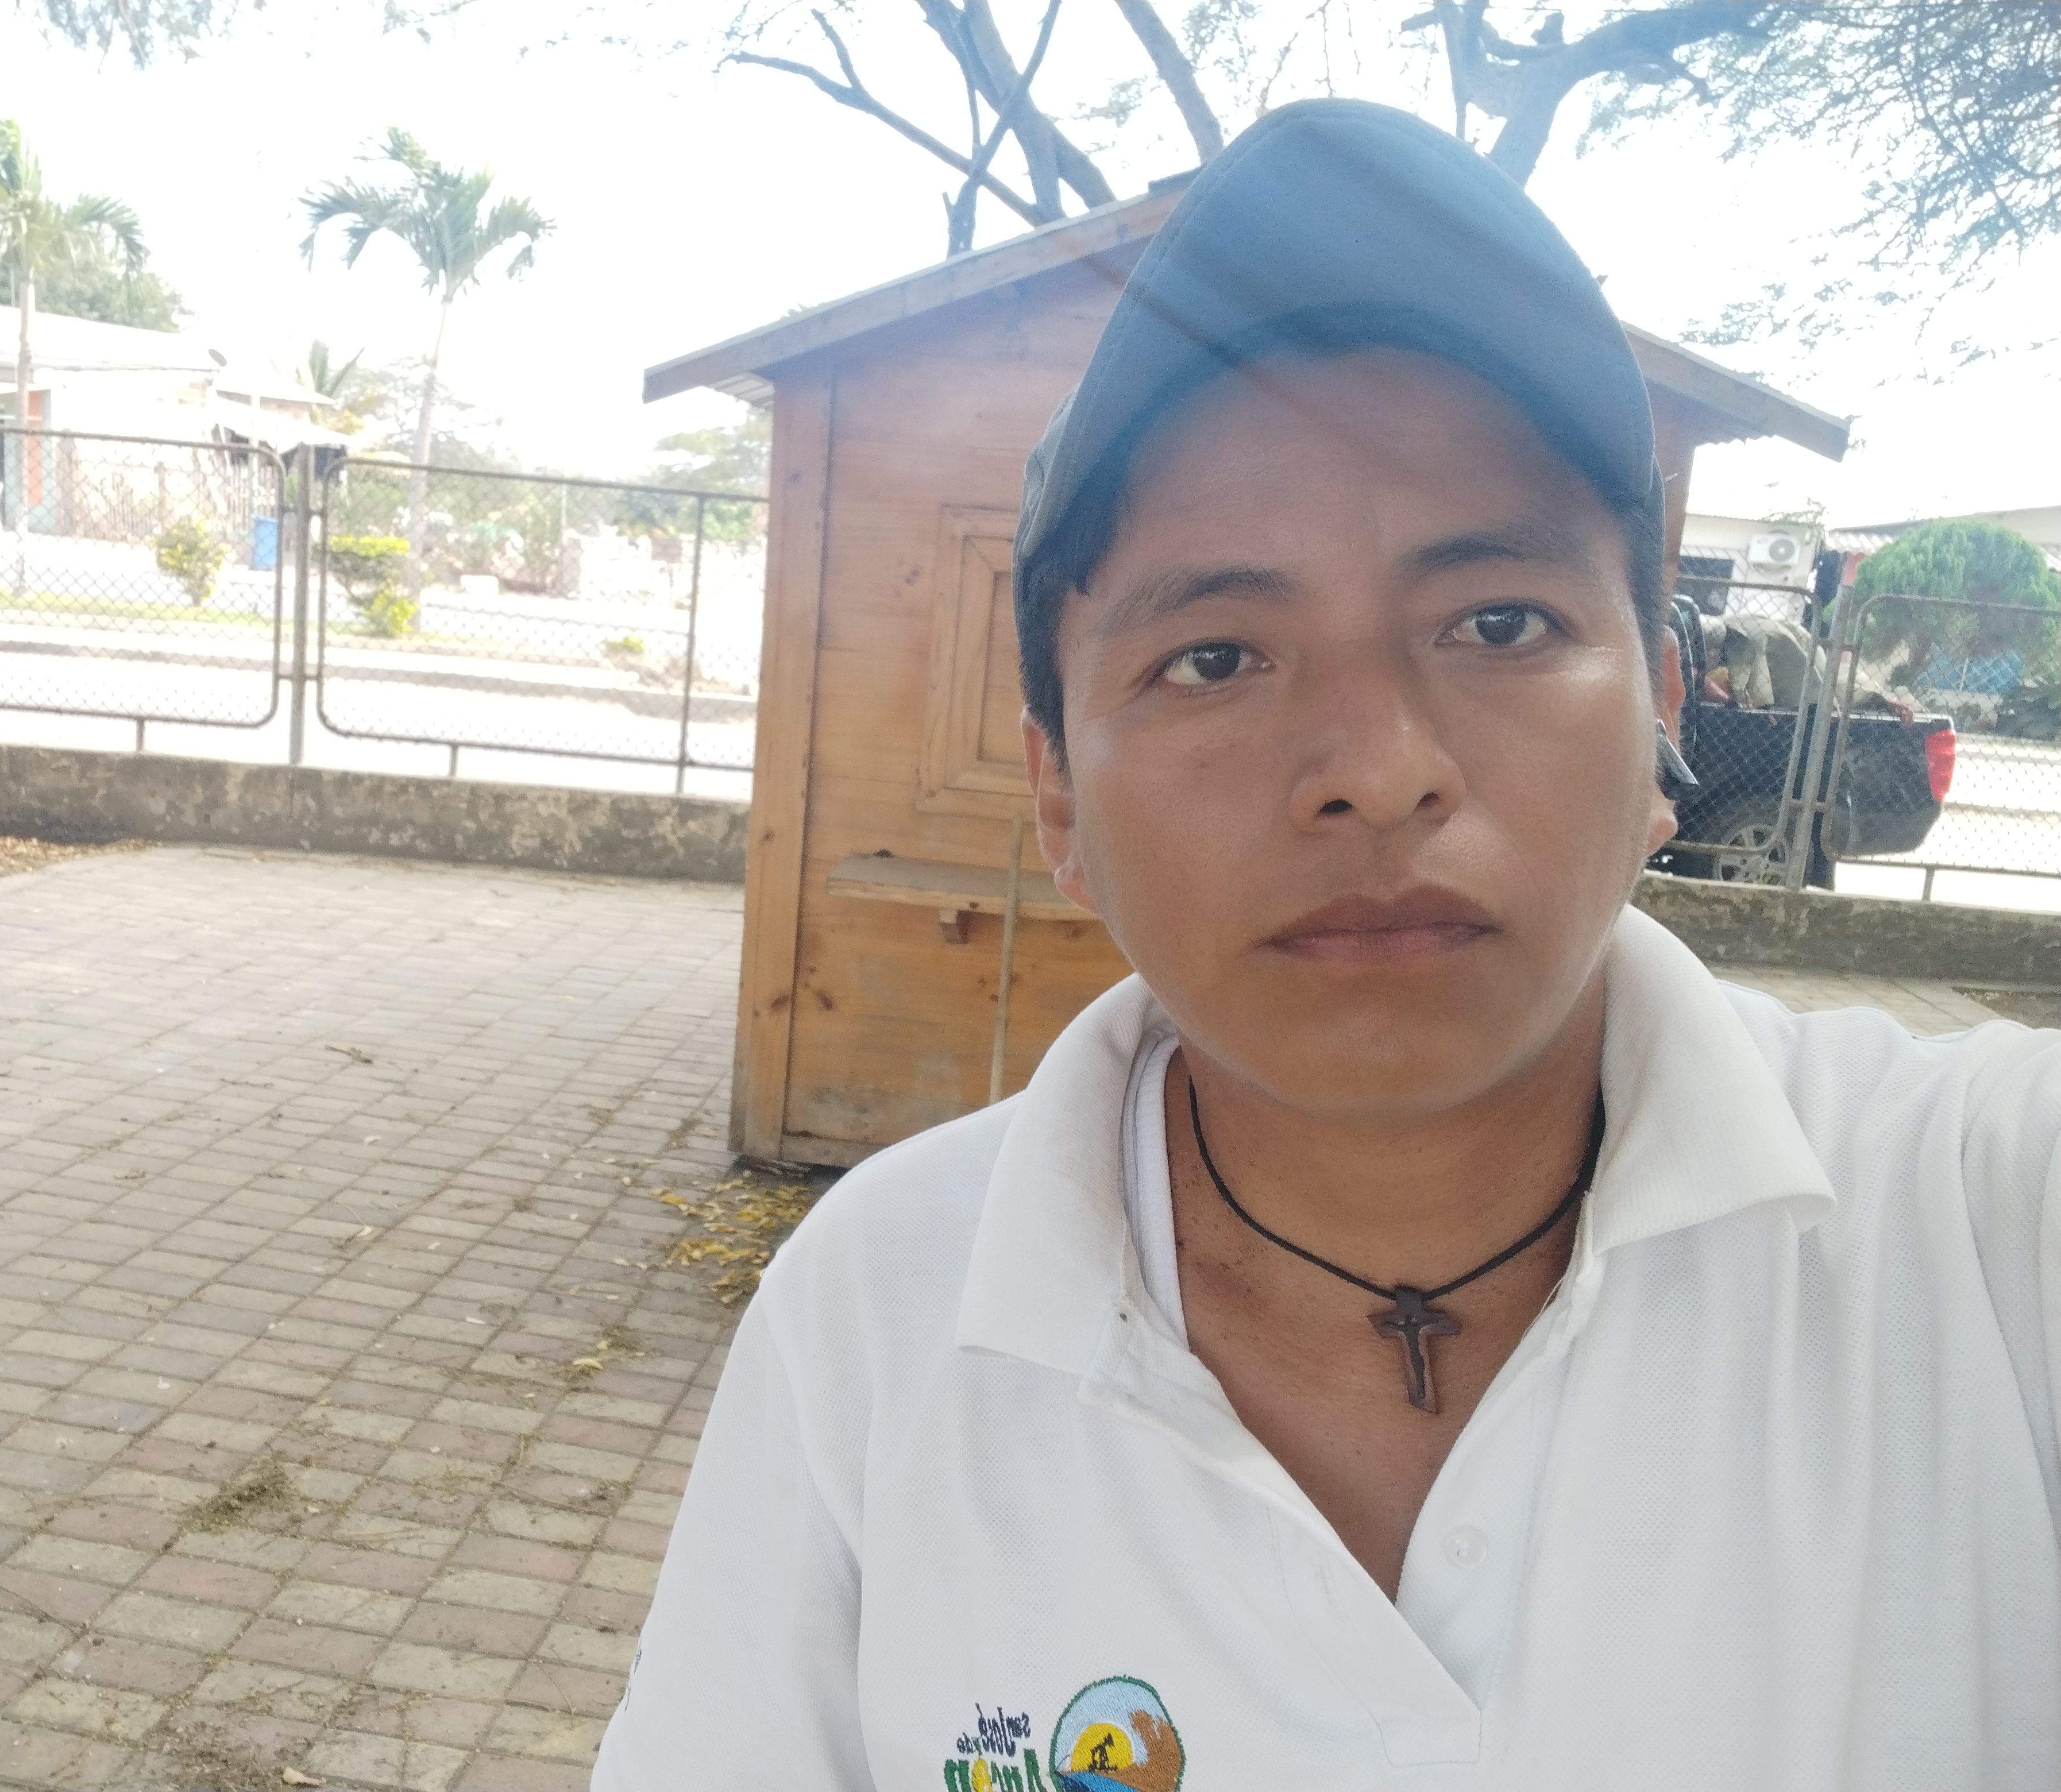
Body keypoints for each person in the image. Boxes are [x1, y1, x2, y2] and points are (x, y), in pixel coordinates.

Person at [593, 101, 2057, 1791]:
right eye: (1215, 658)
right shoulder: (882, 1308)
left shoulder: (1987, 1230)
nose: (1378, 768)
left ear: (1662, 716)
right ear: (1059, 793)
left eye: (1498, 623)